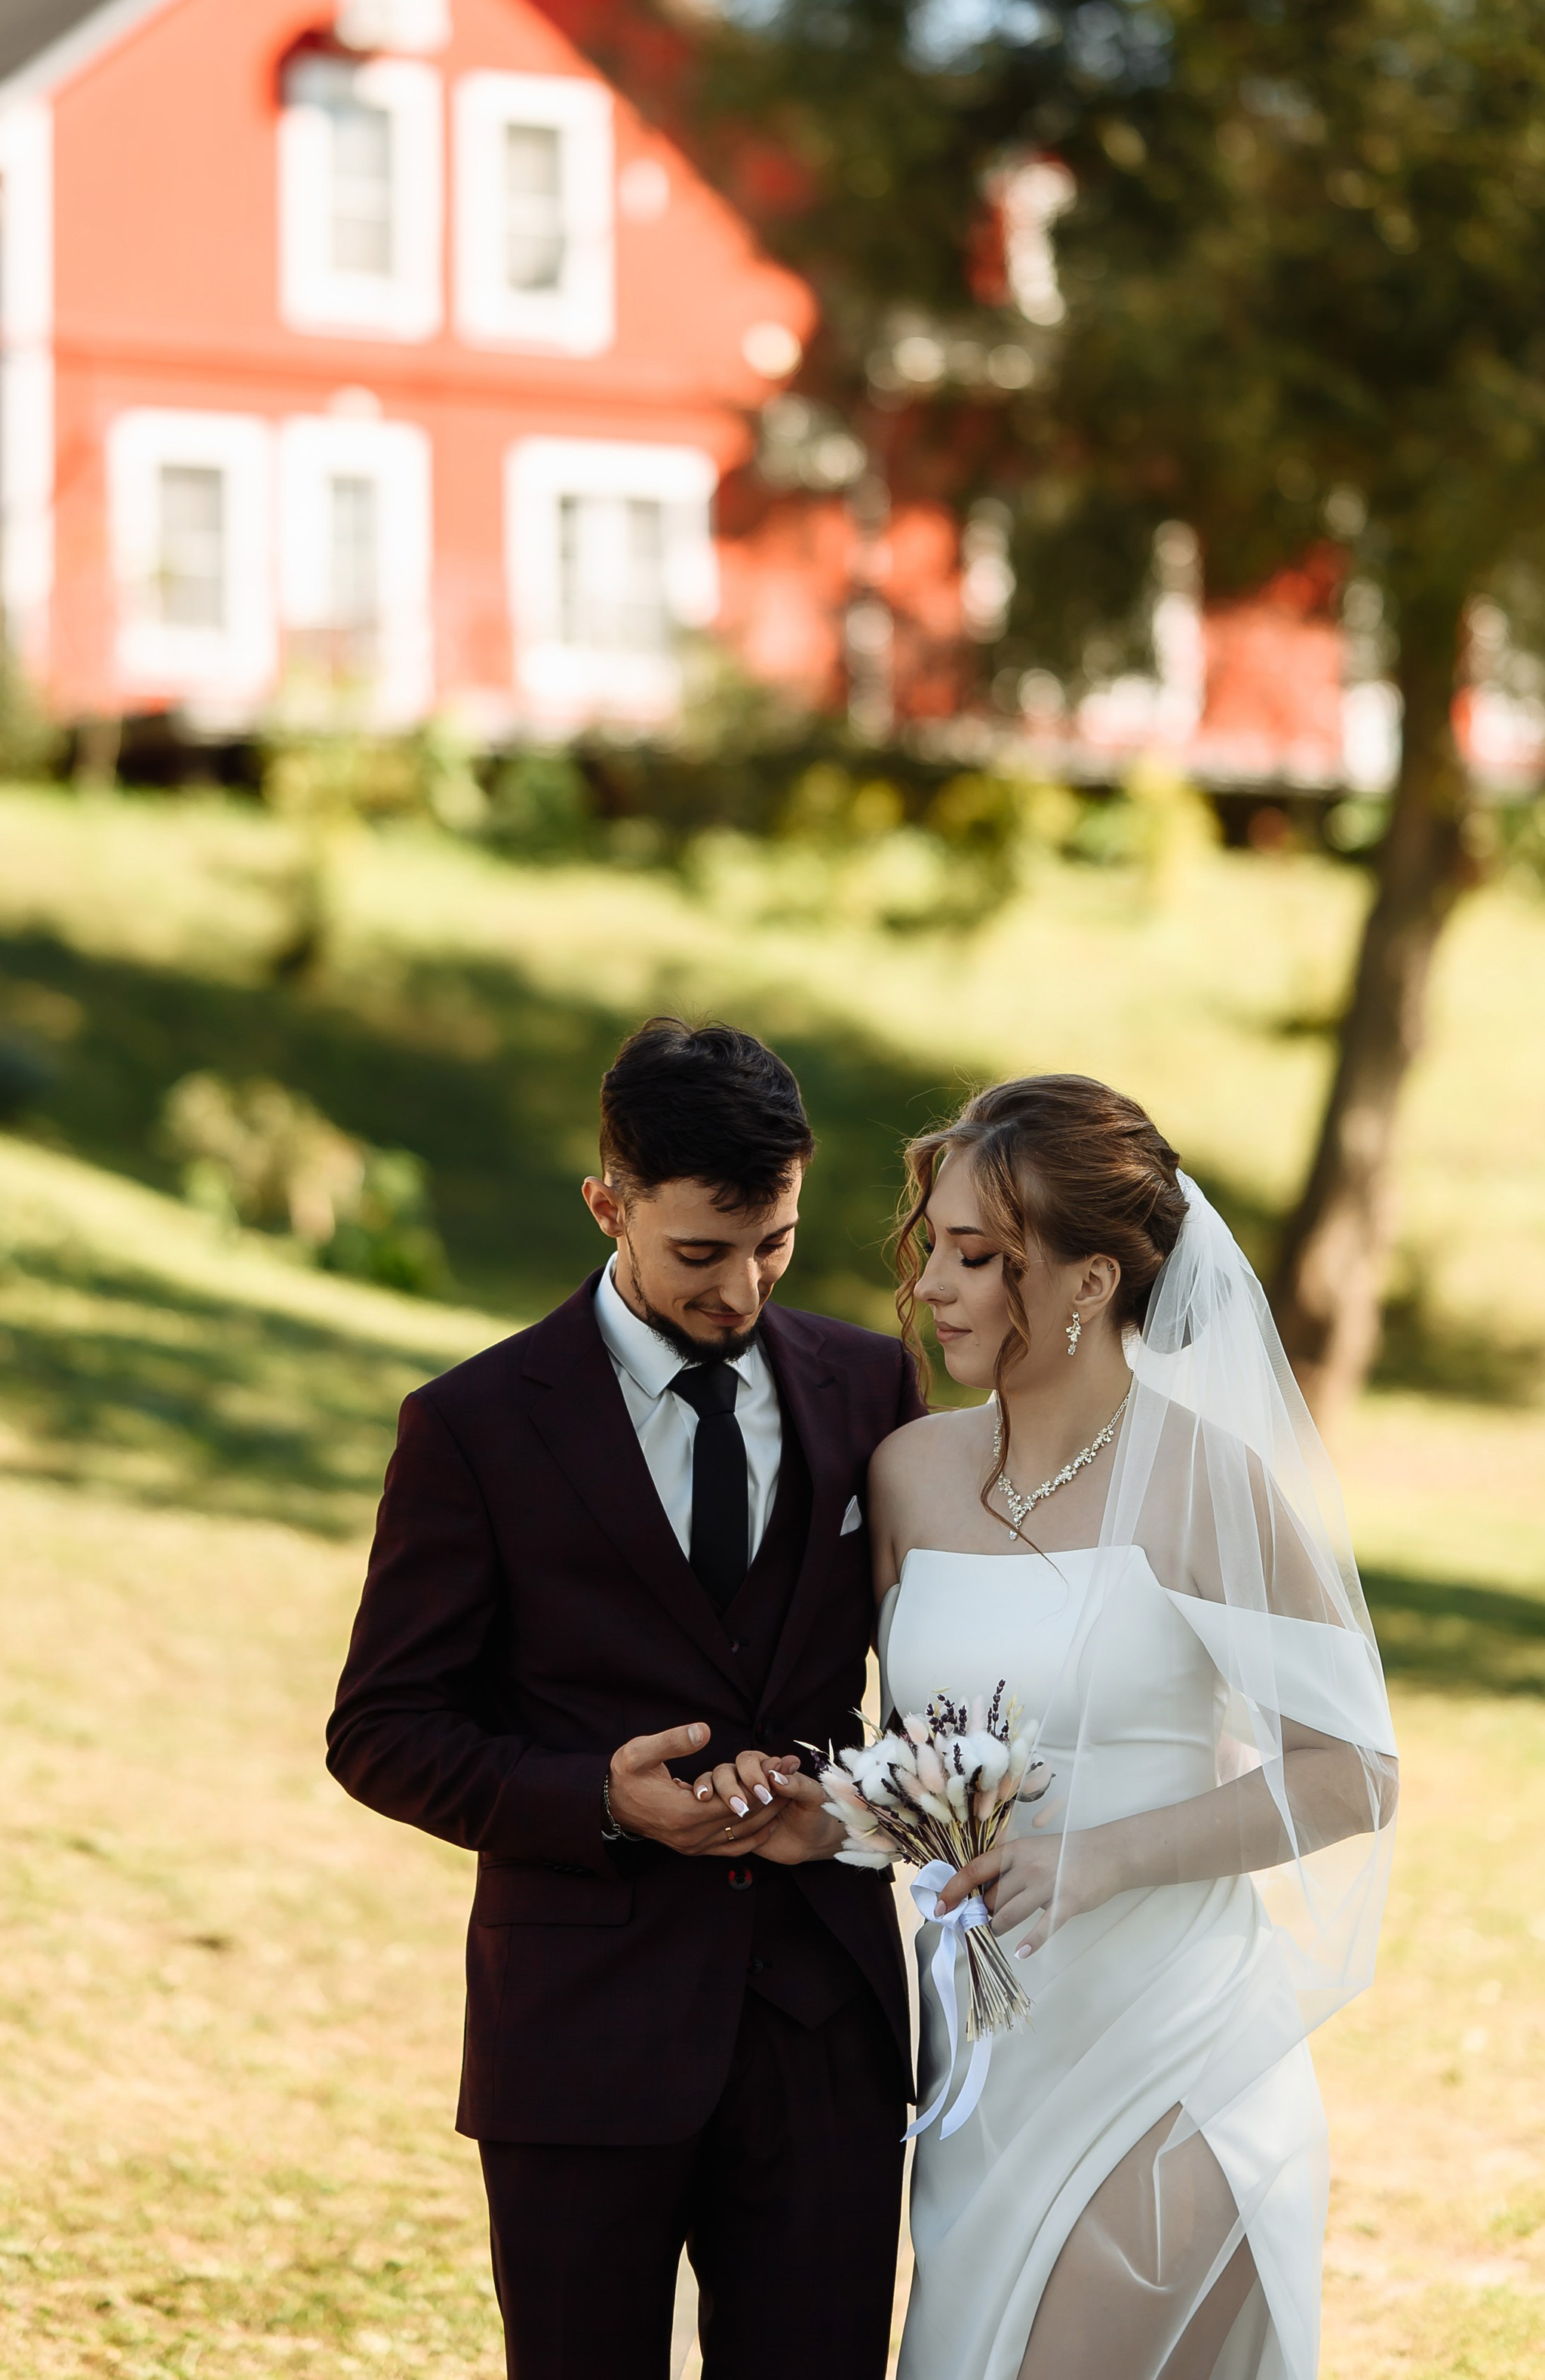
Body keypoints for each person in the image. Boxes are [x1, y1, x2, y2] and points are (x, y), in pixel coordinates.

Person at [761, 1074, 1398, 2380]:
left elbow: (1352, 1774)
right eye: (931, 1244)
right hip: (984, 2063)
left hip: (1169, 2051)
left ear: (1093, 1283)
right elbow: (925, 1773)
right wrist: (820, 1823)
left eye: (979, 1257)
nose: (933, 1284)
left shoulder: (1207, 1483)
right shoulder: (911, 1473)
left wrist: (1097, 1859)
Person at [326, 1015, 922, 2380]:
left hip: (822, 2030)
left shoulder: (871, 1386)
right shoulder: (475, 1425)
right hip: (580, 2029)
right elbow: (378, 1731)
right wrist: (598, 1797)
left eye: (773, 1243)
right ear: (608, 1204)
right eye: (701, 1253)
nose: (743, 1292)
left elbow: (933, 1676)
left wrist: (853, 1806)